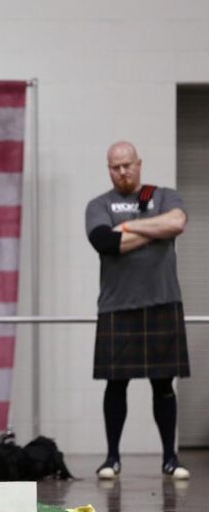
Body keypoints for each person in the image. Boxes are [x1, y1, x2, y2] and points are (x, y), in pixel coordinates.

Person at [85, 141, 190, 480]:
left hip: (162, 301)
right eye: (116, 166)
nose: (123, 171)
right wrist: (153, 229)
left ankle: (170, 459)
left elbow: (176, 224)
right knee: (116, 384)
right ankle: (111, 458)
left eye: (127, 164)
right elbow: (105, 242)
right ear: (108, 168)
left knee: (163, 384)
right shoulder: (98, 204)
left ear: (139, 163)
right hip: (117, 305)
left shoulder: (164, 196)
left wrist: (128, 227)